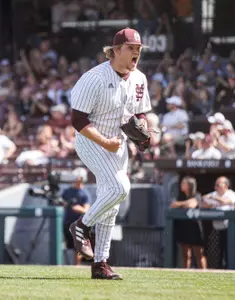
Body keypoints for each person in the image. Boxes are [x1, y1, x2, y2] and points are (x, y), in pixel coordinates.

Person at [69, 28, 151, 280]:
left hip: (117, 144)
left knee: (111, 202)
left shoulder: (139, 79)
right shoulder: (94, 78)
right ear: (115, 51)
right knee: (119, 188)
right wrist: (104, 142)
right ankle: (81, 225)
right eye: (131, 48)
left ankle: (100, 264)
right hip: (90, 141)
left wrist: (144, 132)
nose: (136, 52)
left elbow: (139, 114)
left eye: (138, 48)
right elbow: (77, 119)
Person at [170, 176, 206, 269]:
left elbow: (192, 204)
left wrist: (181, 204)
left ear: (189, 185)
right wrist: (184, 203)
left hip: (195, 228)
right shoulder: (180, 195)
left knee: (199, 254)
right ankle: (186, 273)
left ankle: (204, 274)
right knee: (185, 255)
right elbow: (173, 204)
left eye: (183, 183)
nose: (181, 185)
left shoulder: (196, 195)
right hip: (183, 228)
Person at [202, 176, 235, 269]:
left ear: (226, 185)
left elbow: (228, 201)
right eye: (215, 185)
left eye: (218, 185)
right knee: (217, 254)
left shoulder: (231, 194)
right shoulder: (214, 194)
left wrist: (214, 198)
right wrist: (210, 204)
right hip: (216, 228)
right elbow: (203, 202)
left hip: (229, 229)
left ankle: (230, 269)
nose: (216, 187)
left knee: (229, 252)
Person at [62, 168, 90, 266]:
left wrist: (79, 209)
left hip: (78, 224)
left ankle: (77, 266)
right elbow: (61, 203)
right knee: (68, 245)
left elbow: (87, 210)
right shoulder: (67, 191)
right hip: (67, 223)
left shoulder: (84, 194)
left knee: (78, 246)